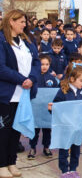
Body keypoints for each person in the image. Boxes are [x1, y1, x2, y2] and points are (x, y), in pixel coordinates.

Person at [0, 10, 40, 178]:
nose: (25, 25)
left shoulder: (27, 41)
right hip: (7, 94)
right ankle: (1, 164)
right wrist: (21, 79)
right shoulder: (1, 40)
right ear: (11, 22)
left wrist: (31, 78)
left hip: (24, 94)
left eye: (25, 22)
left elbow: (37, 62)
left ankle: (12, 162)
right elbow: (1, 68)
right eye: (22, 22)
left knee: (16, 130)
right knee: (4, 131)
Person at [48, 66, 82, 178]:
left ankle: (73, 169)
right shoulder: (63, 91)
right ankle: (64, 170)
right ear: (72, 79)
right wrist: (51, 109)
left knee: (76, 148)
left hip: (77, 126)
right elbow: (56, 107)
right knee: (64, 148)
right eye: (81, 80)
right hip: (65, 126)